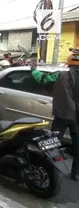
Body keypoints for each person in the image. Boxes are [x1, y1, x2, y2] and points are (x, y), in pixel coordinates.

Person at [30, 48, 79, 181]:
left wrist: (33, 69)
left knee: (52, 144)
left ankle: (49, 169)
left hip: (62, 115)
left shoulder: (59, 75)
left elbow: (42, 79)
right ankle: (76, 173)